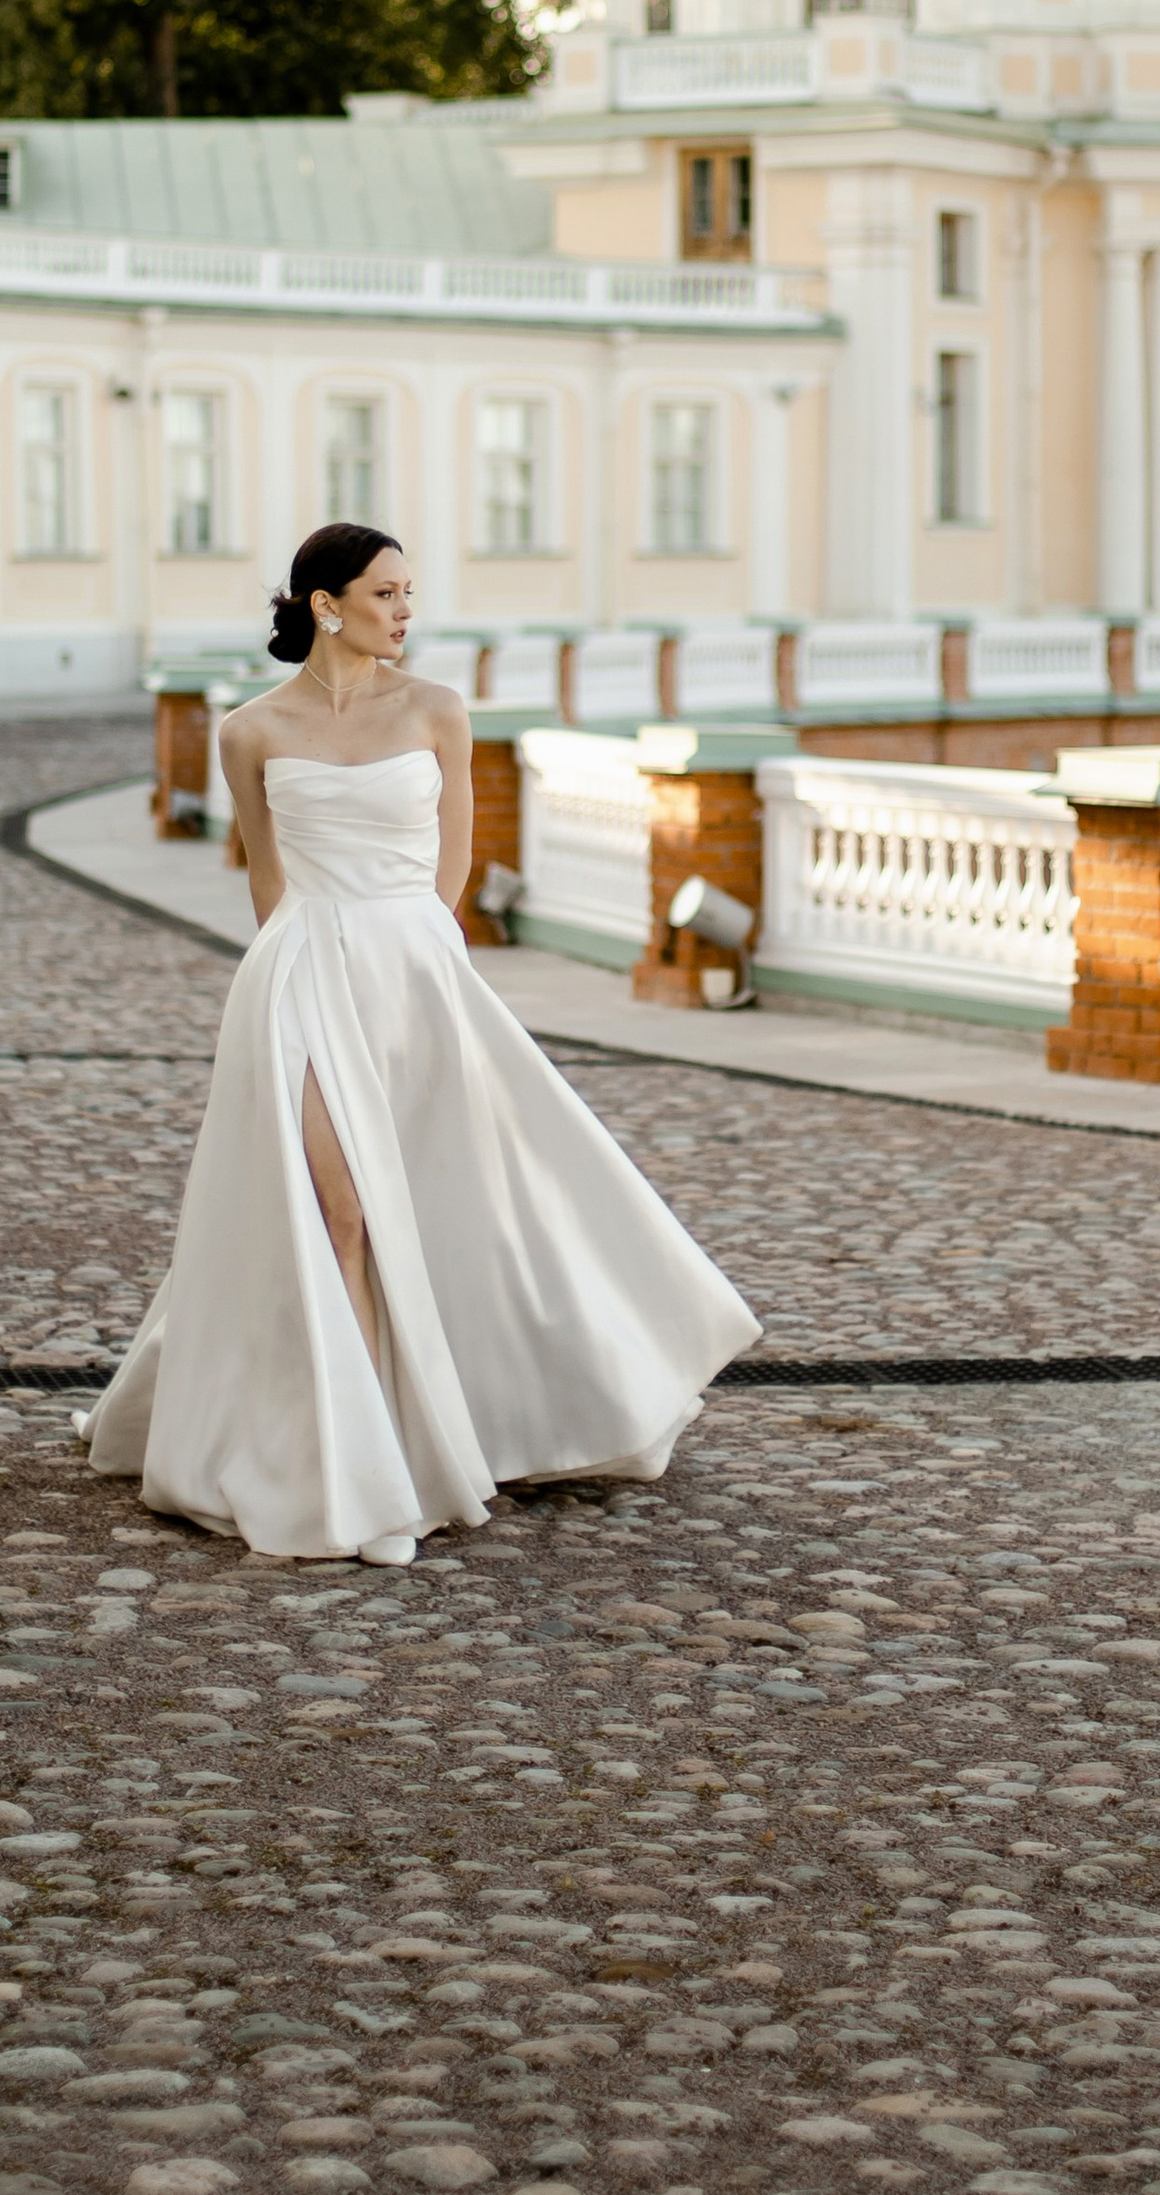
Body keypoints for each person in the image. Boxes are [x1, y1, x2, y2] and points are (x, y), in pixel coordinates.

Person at [82, 520, 759, 1561]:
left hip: (416, 977)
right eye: (387, 592)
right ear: (326, 603)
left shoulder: (438, 710)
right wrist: (305, 971)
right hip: (302, 976)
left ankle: (531, 1392)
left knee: (467, 1197)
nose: (405, 611)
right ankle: (359, 1464)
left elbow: (455, 863)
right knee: (336, 1212)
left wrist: (410, 955)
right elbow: (266, 877)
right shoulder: (249, 731)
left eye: (409, 593)